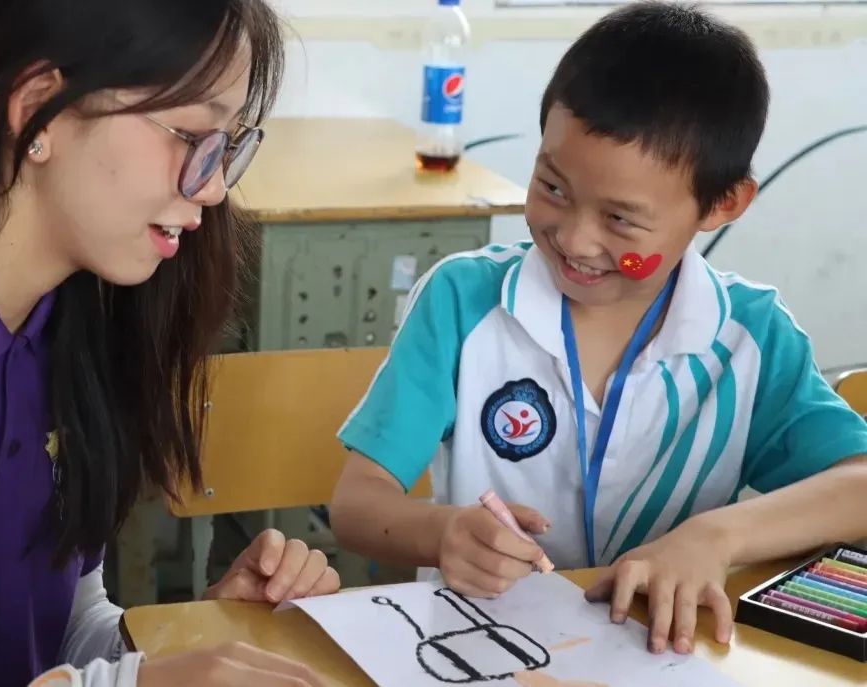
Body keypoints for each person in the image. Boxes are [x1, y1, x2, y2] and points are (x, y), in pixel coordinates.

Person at [0, 1, 338, 686]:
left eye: (227, 144)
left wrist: (194, 639)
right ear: (37, 110)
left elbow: (55, 629)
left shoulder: (69, 318)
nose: (216, 186)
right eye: (193, 135)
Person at [329, 0, 867, 657]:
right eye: (552, 187)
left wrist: (716, 537)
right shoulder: (462, 303)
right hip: (480, 649)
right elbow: (358, 502)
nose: (576, 239)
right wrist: (441, 533)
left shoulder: (750, 339)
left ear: (724, 203)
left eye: (620, 219)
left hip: (663, 658)